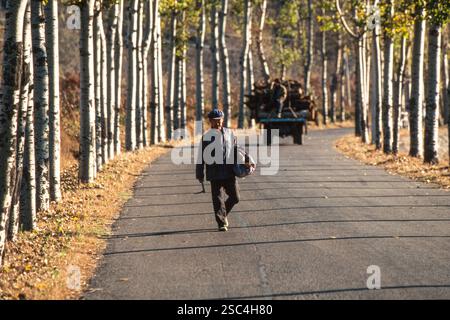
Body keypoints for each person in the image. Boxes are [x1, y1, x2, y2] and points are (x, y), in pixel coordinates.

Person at [196, 109, 240, 232]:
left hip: (229, 171)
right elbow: (201, 156)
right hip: (214, 173)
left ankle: (222, 213)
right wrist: (200, 173)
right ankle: (221, 223)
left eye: (219, 120)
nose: (218, 123)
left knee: (235, 197)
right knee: (217, 198)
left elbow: (236, 150)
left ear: (223, 120)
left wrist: (244, 162)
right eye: (215, 121)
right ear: (210, 121)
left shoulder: (230, 133)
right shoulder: (206, 137)